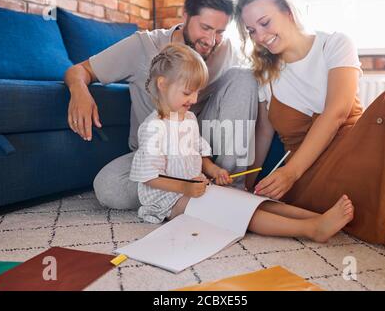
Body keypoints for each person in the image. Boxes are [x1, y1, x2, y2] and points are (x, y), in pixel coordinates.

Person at [235, 0, 385, 244]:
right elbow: (263, 133)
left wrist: (290, 172)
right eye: (251, 31)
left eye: (264, 23)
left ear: (288, 13)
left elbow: (337, 112)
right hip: (311, 173)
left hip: (357, 147)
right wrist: (247, 183)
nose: (260, 36)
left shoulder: (334, 44)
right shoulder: (265, 75)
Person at [131, 43, 355, 243]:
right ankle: (311, 229)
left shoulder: (188, 118)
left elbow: (199, 154)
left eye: (198, 92)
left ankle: (319, 217)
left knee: (247, 199)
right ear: (162, 84)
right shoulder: (154, 128)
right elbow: (150, 177)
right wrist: (184, 187)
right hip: (168, 201)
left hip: (194, 188)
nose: (195, 100)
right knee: (235, 212)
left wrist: (215, 169)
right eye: (188, 92)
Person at [64, 0, 259, 211]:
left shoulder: (225, 50)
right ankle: (190, 190)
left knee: (245, 76)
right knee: (109, 187)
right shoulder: (143, 46)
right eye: (205, 28)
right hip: (159, 156)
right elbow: (79, 70)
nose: (211, 41)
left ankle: (229, 187)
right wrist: (79, 90)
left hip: (203, 147)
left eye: (220, 32)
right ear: (185, 16)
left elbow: (249, 92)